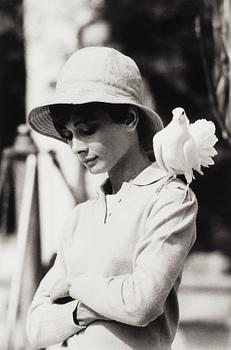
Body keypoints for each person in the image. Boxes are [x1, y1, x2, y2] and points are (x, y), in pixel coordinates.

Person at [26, 46, 198, 350]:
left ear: (129, 119)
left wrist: (72, 285)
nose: (76, 147)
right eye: (68, 136)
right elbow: (36, 326)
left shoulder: (170, 198)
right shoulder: (81, 216)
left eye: (87, 130)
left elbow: (141, 303)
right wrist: (84, 310)